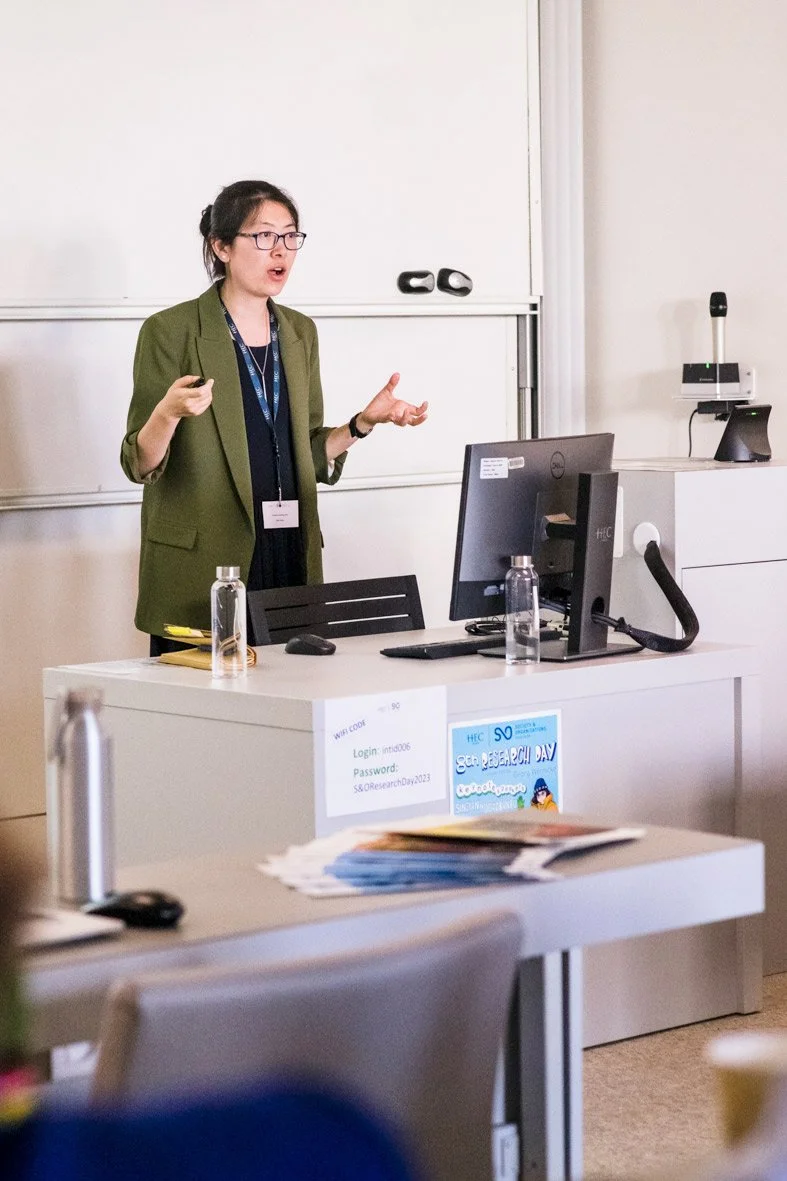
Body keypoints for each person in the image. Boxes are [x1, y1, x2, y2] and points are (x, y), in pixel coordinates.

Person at [120, 180, 428, 655]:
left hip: (287, 550)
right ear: (220, 246)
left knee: (290, 709)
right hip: (207, 565)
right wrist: (167, 412)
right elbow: (140, 463)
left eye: (290, 236)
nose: (280, 250)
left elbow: (304, 452)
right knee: (209, 721)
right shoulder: (171, 331)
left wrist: (362, 424)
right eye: (263, 236)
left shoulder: (299, 332)